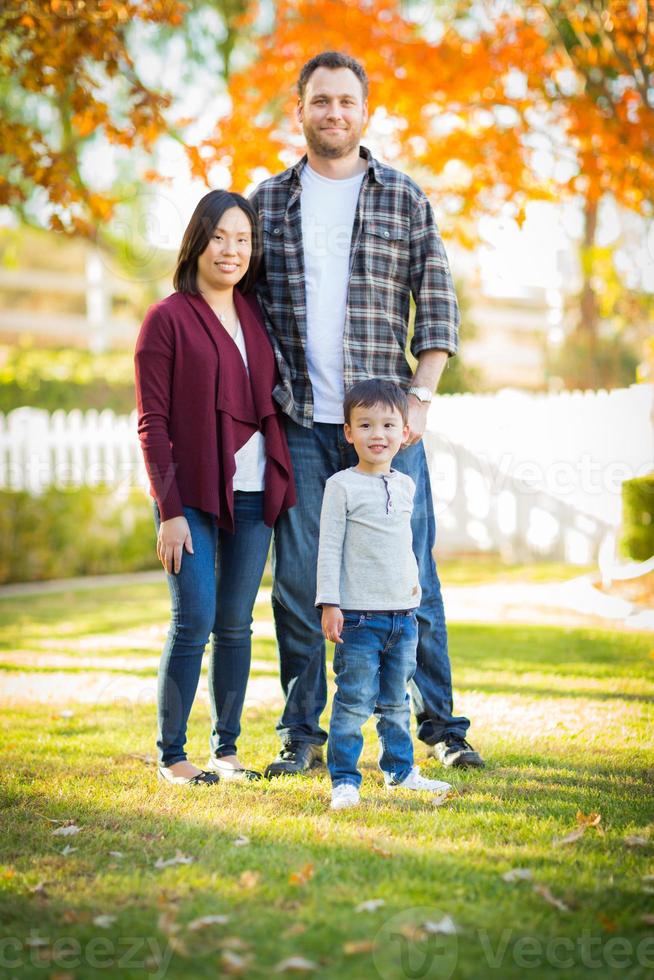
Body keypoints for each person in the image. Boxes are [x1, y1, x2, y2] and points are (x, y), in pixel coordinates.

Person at [251, 51, 484, 778]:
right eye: (320, 101)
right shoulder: (263, 205)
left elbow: (438, 303)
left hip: (387, 430)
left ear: (365, 111)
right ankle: (303, 734)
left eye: (346, 101)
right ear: (300, 111)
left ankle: (441, 726)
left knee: (414, 575)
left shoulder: (404, 197)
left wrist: (419, 399)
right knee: (297, 580)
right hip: (298, 420)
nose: (334, 113)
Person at [134, 190, 295, 787]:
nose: (231, 250)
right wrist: (168, 511)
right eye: (220, 237)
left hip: (253, 493)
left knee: (234, 622)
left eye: (243, 240)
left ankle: (226, 751)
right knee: (193, 618)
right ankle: (172, 756)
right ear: (198, 241)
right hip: (191, 498)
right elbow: (153, 422)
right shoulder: (167, 318)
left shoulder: (255, 315)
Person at [317, 380, 453, 810]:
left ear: (405, 431)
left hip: (403, 618)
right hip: (358, 619)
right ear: (349, 433)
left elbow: (406, 547)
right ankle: (344, 780)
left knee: (395, 700)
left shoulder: (407, 485)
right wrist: (329, 603)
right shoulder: (341, 486)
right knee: (354, 700)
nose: (378, 434)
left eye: (389, 425)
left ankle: (400, 771)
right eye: (366, 424)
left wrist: (412, 591)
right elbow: (329, 548)